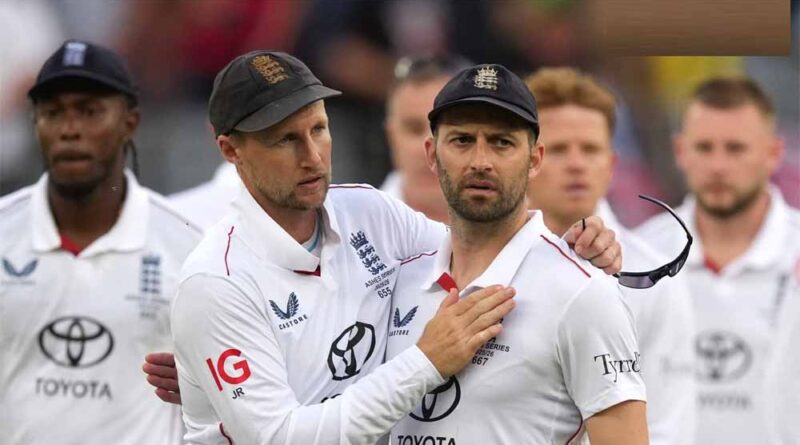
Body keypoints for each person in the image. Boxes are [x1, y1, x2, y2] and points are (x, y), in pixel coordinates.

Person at [165, 51, 624, 444]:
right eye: (285, 139)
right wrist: (426, 362)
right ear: (230, 150)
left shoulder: (370, 213)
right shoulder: (215, 283)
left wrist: (574, 249)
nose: (313, 156)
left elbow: (484, 249)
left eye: (319, 129)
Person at [386, 63, 648, 444]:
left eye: (502, 142)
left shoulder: (584, 293)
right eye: (462, 140)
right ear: (431, 154)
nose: (480, 161)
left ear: (535, 158)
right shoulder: (396, 281)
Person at [0, 40, 201, 444]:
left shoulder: (190, 247)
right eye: (52, 113)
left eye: (90, 111)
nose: (69, 129)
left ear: (130, 122)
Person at [524, 67, 696, 444]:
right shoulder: (486, 259)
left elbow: (667, 424)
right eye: (558, 149)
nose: (576, 163)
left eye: (590, 149)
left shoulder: (654, 276)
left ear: (612, 164)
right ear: (526, 158)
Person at [635, 76, 800, 444]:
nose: (718, 165)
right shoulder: (638, 258)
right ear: (680, 151)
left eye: (735, 148)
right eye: (704, 147)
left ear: (774, 153)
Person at [380, 54, 472, 223]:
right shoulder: (350, 228)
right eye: (414, 129)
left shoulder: (523, 226)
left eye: (447, 129)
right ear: (391, 137)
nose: (430, 149)